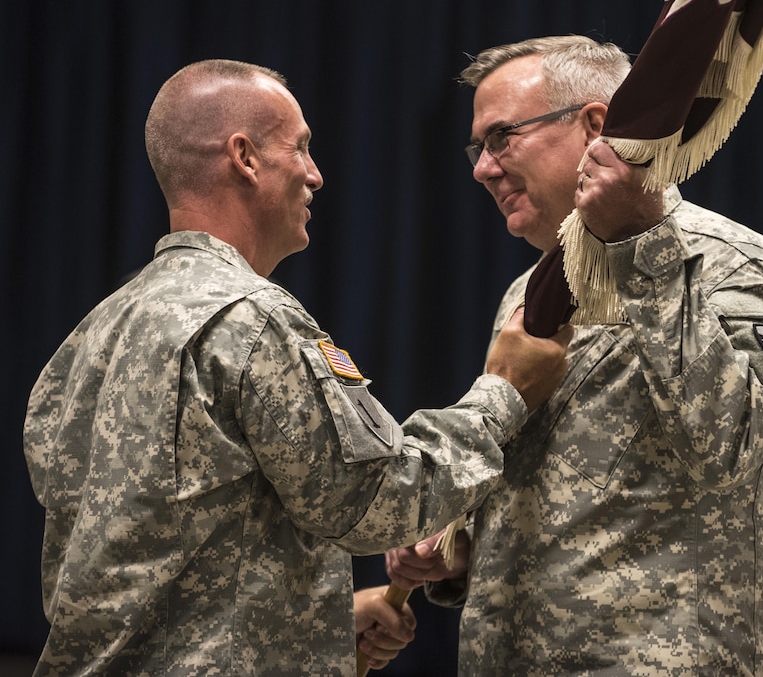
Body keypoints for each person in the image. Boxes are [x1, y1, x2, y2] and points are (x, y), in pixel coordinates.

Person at [23, 59, 573, 675]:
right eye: (302, 148)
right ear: (245, 158)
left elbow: (149, 580)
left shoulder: (87, 337)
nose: (315, 175)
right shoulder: (251, 319)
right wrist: (502, 395)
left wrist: (318, 632)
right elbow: (376, 501)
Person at [385, 35, 763, 675]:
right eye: (477, 147)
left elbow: (732, 452)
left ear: (595, 126)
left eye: (502, 137)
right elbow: (570, 497)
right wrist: (458, 547)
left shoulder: (735, 266)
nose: (483, 167)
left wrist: (644, 245)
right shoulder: (530, 289)